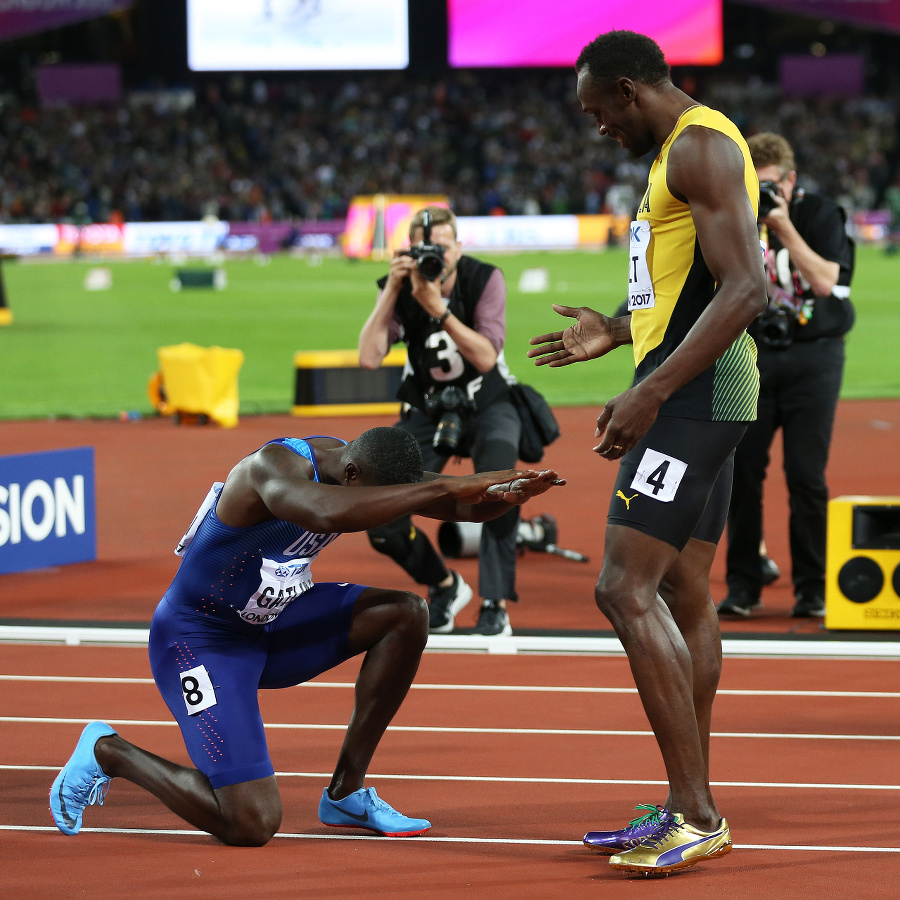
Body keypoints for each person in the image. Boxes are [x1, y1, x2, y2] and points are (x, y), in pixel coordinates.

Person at [50, 427, 562, 845]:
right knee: (251, 823)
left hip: (271, 624)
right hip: (199, 641)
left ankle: (346, 794)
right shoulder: (273, 468)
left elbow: (461, 508)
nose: (383, 509)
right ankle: (108, 752)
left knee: (405, 613)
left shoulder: (362, 468)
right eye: (376, 495)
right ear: (353, 474)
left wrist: (506, 498)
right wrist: (451, 485)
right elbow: (326, 511)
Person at [528, 31, 766, 876]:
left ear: (629, 91)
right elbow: (691, 286)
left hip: (696, 398)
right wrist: (619, 332)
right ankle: (685, 801)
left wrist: (653, 390)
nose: (596, 129)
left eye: (598, 113)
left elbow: (748, 286)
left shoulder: (698, 146)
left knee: (621, 587)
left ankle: (695, 813)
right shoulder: (683, 148)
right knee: (684, 588)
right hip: (707, 390)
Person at [359, 206, 522, 637]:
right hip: (429, 406)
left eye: (443, 248)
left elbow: (487, 357)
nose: (436, 257)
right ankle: (444, 585)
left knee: (500, 484)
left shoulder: (484, 278)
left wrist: (439, 310)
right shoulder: (399, 285)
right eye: (425, 248)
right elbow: (369, 357)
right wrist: (392, 291)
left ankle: (494, 602)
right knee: (378, 504)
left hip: (487, 401)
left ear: (459, 248)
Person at [717, 133, 855, 619]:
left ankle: (813, 589)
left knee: (806, 476)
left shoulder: (821, 215)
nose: (762, 194)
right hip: (751, 356)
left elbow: (827, 282)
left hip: (814, 358)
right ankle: (743, 586)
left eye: (771, 184)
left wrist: (782, 224)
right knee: (742, 473)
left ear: (791, 180)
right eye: (753, 184)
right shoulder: (733, 215)